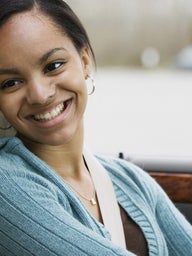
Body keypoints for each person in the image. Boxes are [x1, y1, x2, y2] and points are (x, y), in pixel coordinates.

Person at [0, 1, 191, 255]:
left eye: (53, 66)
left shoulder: (131, 180)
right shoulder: (6, 186)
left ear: (85, 60)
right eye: (11, 82)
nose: (39, 95)